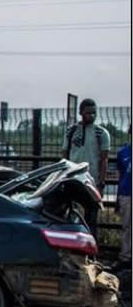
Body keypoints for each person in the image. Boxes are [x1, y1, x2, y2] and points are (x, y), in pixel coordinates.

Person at [63, 98, 111, 232]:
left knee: (91, 220)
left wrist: (101, 183)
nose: (92, 116)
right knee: (69, 217)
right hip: (72, 180)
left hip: (91, 182)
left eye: (94, 113)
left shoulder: (101, 133)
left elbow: (104, 160)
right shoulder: (71, 131)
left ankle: (90, 249)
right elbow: (64, 156)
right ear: (81, 112)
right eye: (88, 113)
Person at [117, 126, 131, 273]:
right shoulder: (123, 152)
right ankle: (125, 257)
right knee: (126, 226)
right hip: (126, 192)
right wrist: (117, 198)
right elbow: (121, 175)